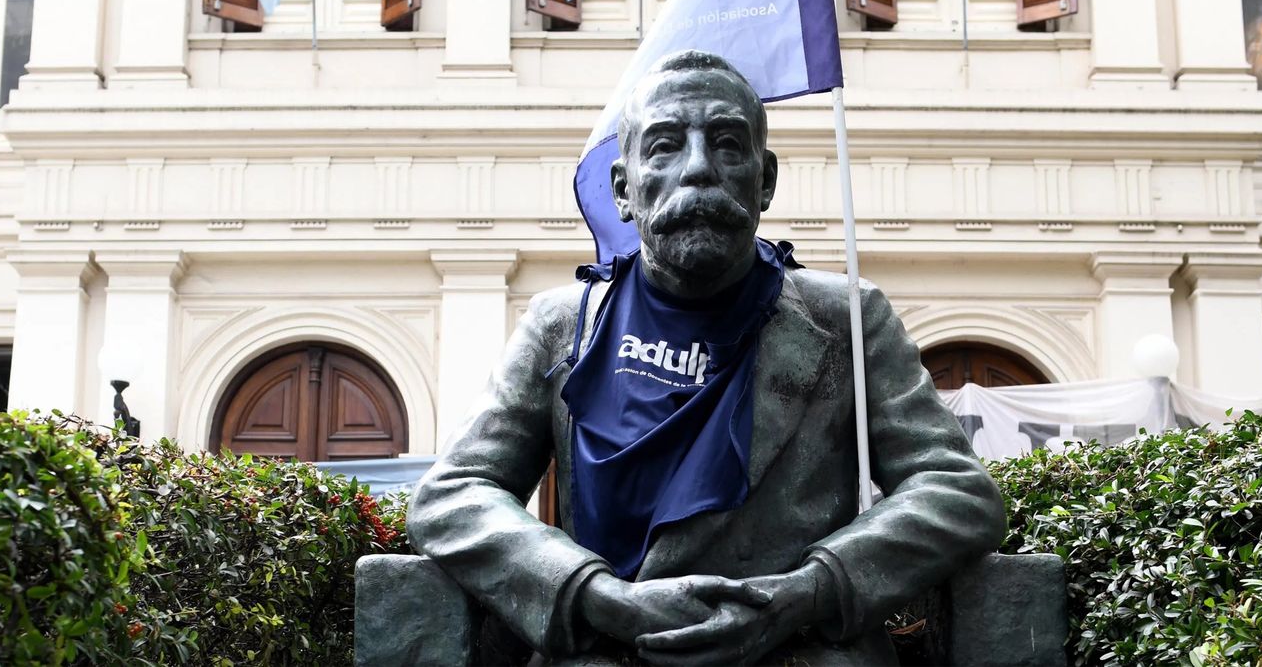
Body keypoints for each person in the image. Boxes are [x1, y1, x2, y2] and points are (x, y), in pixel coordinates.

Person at [408, 50, 1005, 665]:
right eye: (665, 146)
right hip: (612, 651)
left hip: (796, 650)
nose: (698, 169)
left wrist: (807, 591)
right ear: (624, 189)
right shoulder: (562, 325)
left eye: (726, 143)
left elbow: (957, 490)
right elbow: (452, 495)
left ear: (764, 179)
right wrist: (592, 594)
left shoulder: (847, 317)